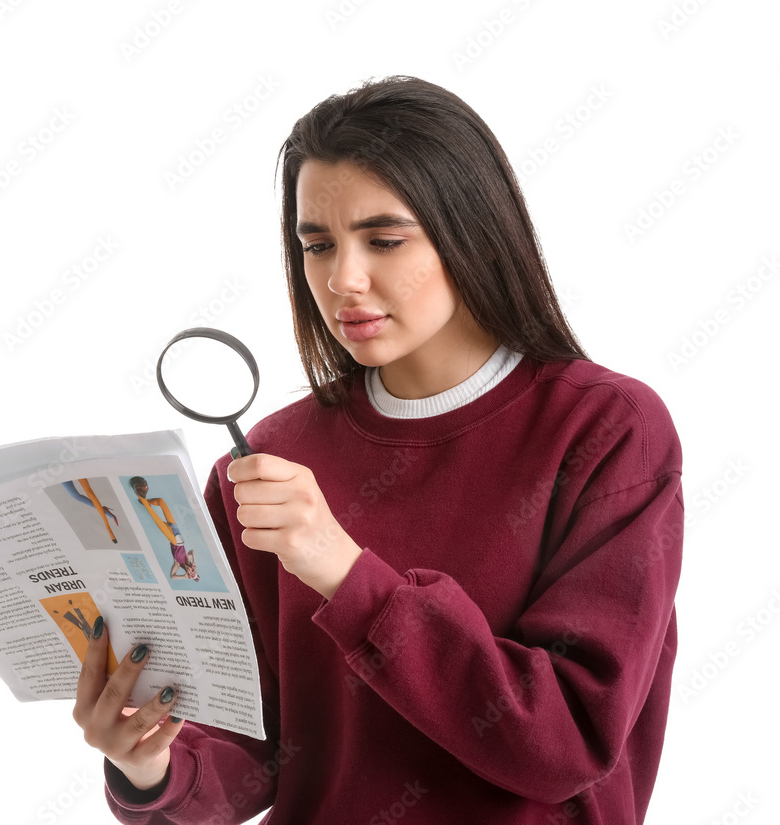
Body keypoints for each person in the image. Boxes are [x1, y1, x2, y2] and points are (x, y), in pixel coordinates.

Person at [73, 75, 684, 824]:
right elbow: (253, 749)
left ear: (472, 230)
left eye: (385, 240)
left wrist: (346, 572)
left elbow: (562, 745)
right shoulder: (271, 456)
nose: (342, 280)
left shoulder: (608, 429)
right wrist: (151, 764)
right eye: (316, 244)